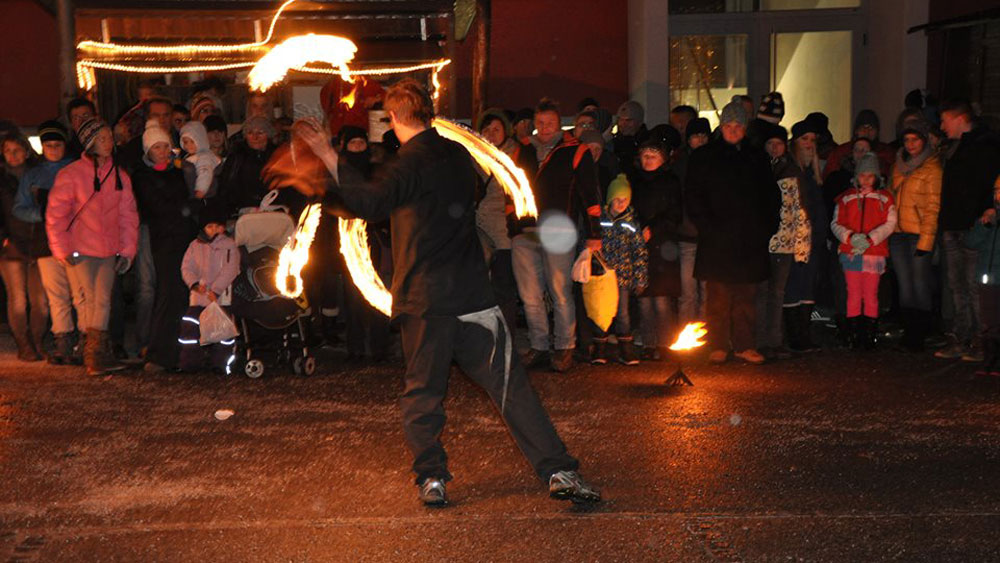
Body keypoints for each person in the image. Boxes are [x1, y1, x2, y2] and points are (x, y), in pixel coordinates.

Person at [298, 79, 600, 506]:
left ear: (396, 118)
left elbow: (367, 204)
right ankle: (558, 468)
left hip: (427, 299)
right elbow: (455, 198)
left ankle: (431, 477)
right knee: (510, 386)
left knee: (423, 392)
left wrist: (329, 161)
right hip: (474, 293)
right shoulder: (458, 154)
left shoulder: (408, 163)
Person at [685, 99, 780, 365]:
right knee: (717, 298)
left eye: (738, 125)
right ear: (722, 126)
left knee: (746, 298)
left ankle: (744, 345)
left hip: (750, 241)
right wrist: (707, 227)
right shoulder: (705, 157)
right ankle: (717, 344)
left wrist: (766, 228)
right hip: (717, 240)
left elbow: (771, 196)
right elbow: (693, 196)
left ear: (745, 128)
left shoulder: (756, 157)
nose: (733, 129)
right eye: (729, 125)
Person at [515, 98, 602, 372]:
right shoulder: (523, 150)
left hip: (558, 231)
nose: (545, 128)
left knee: (560, 292)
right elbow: (511, 187)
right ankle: (539, 345)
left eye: (550, 123)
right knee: (530, 295)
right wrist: (512, 223)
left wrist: (593, 234)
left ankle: (565, 347)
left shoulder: (575, 150)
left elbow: (590, 194)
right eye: (540, 123)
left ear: (559, 122)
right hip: (525, 232)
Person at [46, 118, 139, 375]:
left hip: (107, 249)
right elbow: (56, 215)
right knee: (88, 299)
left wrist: (128, 250)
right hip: (81, 247)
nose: (109, 143)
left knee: (102, 300)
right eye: (103, 138)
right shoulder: (71, 174)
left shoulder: (119, 175)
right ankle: (94, 353)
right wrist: (62, 249)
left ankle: (95, 353)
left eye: (109, 138)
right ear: (90, 143)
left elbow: (128, 216)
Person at [934, 99, 1000, 361]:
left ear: (959, 119)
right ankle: (961, 337)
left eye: (944, 120)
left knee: (974, 286)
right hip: (953, 224)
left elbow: (986, 184)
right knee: (956, 285)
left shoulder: (985, 145)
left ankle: (981, 342)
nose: (941, 126)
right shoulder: (954, 147)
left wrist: (986, 212)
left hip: (973, 225)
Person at [133, 124, 199, 373]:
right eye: (156, 147)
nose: (162, 151)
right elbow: (159, 206)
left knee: (184, 294)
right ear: (148, 151)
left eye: (164, 146)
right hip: (163, 241)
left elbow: (192, 201)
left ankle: (183, 351)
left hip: (184, 239)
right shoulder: (143, 175)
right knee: (166, 294)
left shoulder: (180, 171)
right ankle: (160, 353)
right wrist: (183, 208)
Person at [13, 121, 77, 363]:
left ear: (64, 145)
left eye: (57, 145)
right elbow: (19, 208)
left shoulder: (75, 168)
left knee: (79, 294)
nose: (52, 149)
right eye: (48, 145)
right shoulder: (33, 174)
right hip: (45, 241)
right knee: (56, 294)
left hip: (75, 239)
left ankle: (83, 341)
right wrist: (42, 214)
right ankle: (63, 342)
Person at [476, 109, 535, 336]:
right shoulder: (474, 153)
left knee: (503, 288)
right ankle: (483, 337)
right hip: (477, 227)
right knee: (479, 288)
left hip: (503, 230)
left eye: (496, 129)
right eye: (487, 129)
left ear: (506, 132)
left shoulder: (517, 154)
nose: (491, 134)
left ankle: (506, 336)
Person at [830, 153, 897, 349]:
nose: (866, 180)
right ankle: (853, 333)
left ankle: (869, 334)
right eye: (862, 175)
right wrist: (849, 237)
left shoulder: (885, 198)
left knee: (870, 294)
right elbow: (836, 223)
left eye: (870, 175)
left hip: (874, 253)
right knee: (853, 293)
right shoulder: (846, 197)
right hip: (851, 252)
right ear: (856, 176)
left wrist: (871, 238)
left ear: (877, 177)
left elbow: (890, 223)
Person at [888, 119, 941, 351]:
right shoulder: (898, 166)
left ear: (924, 140)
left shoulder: (933, 168)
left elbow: (933, 206)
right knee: (904, 284)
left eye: (915, 139)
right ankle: (909, 332)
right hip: (899, 234)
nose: (910, 144)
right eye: (907, 140)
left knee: (920, 283)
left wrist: (926, 241)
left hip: (919, 234)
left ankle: (920, 334)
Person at [756, 125, 809, 360]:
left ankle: (774, 340)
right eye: (770, 143)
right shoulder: (760, 169)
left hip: (784, 240)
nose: (774, 147)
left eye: (778, 143)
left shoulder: (792, 171)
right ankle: (761, 340)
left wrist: (801, 243)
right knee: (763, 292)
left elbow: (798, 209)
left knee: (776, 292)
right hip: (764, 240)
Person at [630, 141, 681, 360]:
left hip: (663, 247)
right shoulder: (635, 181)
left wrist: (655, 228)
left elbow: (675, 213)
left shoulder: (670, 182)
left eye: (653, 156)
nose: (648, 160)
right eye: (645, 156)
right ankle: (649, 343)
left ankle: (666, 343)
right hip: (640, 246)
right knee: (644, 299)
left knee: (661, 299)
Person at [590, 174, 648, 365]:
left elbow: (639, 251)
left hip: (623, 277)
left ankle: (626, 350)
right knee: (602, 312)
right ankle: (599, 349)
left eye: (625, 200)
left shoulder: (631, 223)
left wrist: (640, 278)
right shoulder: (601, 220)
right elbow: (592, 244)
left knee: (623, 314)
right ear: (610, 199)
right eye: (618, 199)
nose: (621, 203)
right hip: (603, 277)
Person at [1, 134, 48, 361]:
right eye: (8, 150)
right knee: (18, 298)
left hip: (39, 243)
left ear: (27, 151)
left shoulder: (40, 176)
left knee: (40, 300)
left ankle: (37, 340)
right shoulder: (2, 180)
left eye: (17, 149)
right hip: (11, 246)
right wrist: (3, 239)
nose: (12, 155)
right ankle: (23, 342)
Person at [783, 120, 827, 352]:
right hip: (796, 239)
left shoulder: (812, 174)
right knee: (794, 285)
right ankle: (795, 337)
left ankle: (804, 335)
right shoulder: (792, 170)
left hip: (814, 239)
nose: (809, 144)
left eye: (813, 140)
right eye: (805, 139)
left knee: (808, 285)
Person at [178, 207, 239, 373]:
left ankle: (221, 364)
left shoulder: (229, 246)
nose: (214, 230)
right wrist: (194, 284)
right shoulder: (195, 245)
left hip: (220, 298)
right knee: (190, 328)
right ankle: (189, 363)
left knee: (223, 332)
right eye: (210, 226)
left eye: (217, 226)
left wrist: (217, 289)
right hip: (199, 297)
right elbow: (186, 268)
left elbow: (231, 269)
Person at [673, 117, 711, 326]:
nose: (701, 140)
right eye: (696, 136)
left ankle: (706, 333)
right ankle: (687, 332)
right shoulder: (681, 166)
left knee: (708, 291)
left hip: (708, 236)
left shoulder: (715, 162)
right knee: (688, 291)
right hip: (687, 235)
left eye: (704, 136)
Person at [215, 116, 277, 215]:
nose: (255, 137)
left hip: (274, 209)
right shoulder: (236, 157)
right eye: (250, 133)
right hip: (243, 210)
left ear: (268, 135)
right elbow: (225, 187)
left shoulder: (278, 156)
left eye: (260, 133)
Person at [823, 109, 895, 181]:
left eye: (871, 128)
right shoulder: (841, 152)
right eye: (862, 128)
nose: (866, 131)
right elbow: (829, 176)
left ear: (877, 132)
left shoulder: (887, 153)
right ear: (856, 131)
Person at [180, 120, 221, 199]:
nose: (189, 145)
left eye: (192, 141)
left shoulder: (204, 157)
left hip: (203, 197)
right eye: (185, 142)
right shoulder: (191, 156)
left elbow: (205, 172)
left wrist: (200, 190)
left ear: (200, 140)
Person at [611, 100, 649, 177]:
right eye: (620, 120)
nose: (623, 124)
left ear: (639, 121)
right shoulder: (614, 143)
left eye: (628, 120)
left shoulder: (648, 143)